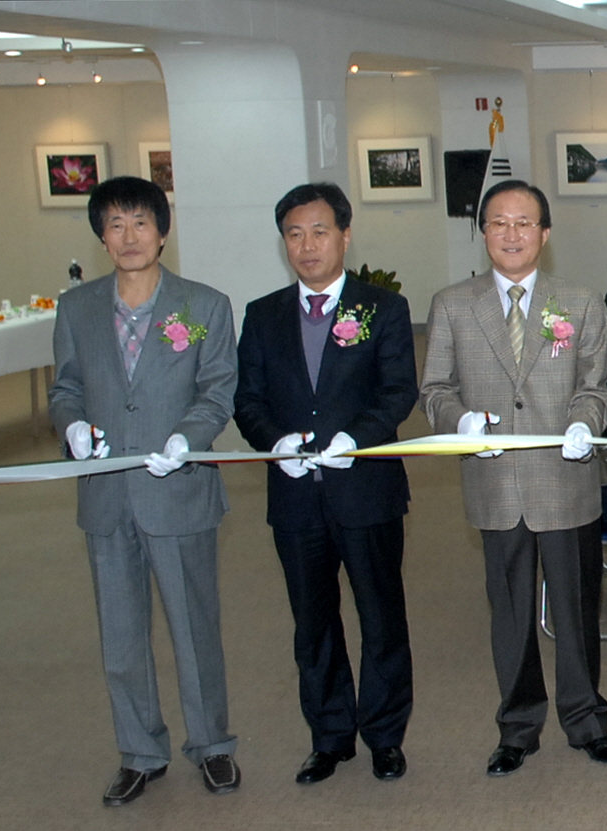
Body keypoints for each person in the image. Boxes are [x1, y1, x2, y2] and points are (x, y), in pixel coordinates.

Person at [419, 180, 607, 776]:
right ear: (483, 231)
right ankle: (517, 726)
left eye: (524, 223)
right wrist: (459, 422)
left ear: (545, 233)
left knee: (576, 611)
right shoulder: (453, 304)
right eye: (499, 223)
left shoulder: (580, 301)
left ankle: (586, 720)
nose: (511, 234)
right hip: (495, 483)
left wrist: (585, 422)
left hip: (565, 480)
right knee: (509, 615)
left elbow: (595, 386)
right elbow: (435, 390)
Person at [50, 176, 241, 806]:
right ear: (101, 237)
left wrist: (188, 437)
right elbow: (66, 387)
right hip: (107, 496)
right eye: (115, 224)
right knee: (121, 636)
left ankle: (212, 744)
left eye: (140, 222)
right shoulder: (76, 308)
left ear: (162, 232)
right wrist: (72, 427)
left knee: (194, 628)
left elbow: (218, 389)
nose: (129, 236)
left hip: (178, 489)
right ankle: (139, 751)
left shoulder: (203, 305)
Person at [233, 182, 417, 784]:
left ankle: (384, 736)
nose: (307, 245)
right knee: (312, 623)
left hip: (365, 490)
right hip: (295, 497)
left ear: (345, 234)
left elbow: (397, 391)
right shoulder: (263, 314)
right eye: (294, 234)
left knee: (380, 618)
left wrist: (354, 440)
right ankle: (330, 736)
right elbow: (248, 399)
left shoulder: (382, 308)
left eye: (319, 231)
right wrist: (275, 443)